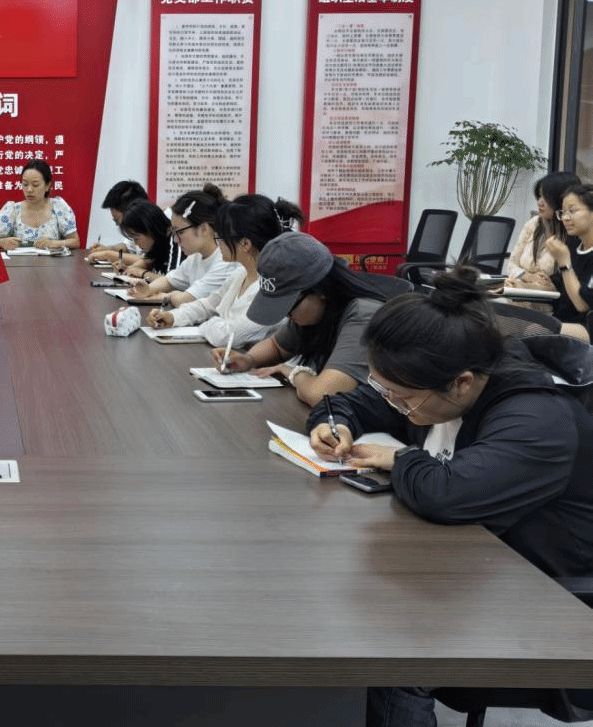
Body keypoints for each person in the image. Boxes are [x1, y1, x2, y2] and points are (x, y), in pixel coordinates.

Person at [304, 266, 593, 727]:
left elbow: (446, 493)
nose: (397, 405)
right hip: (472, 568)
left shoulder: (537, 419)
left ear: (463, 382)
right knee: (349, 598)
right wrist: (332, 422)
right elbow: (355, 402)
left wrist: (400, 459)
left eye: (404, 399)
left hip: (551, 601)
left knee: (390, 643)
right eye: (389, 391)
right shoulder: (429, 385)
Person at [213, 231, 387, 405]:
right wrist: (248, 360)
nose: (286, 316)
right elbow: (277, 346)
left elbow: (321, 395)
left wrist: (294, 373)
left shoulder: (364, 316)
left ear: (321, 290)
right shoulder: (317, 312)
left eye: (289, 307)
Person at [147, 194, 301, 348]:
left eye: (221, 237)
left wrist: (211, 322)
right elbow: (207, 305)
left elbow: (227, 335)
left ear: (245, 244)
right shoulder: (240, 274)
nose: (218, 242)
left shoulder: (275, 288)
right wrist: (172, 317)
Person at [128, 184, 233, 307]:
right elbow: (170, 280)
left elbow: (187, 299)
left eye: (180, 232)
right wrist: (149, 289)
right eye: (174, 233)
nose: (176, 240)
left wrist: (169, 296)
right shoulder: (196, 257)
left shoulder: (225, 261)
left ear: (204, 228)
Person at [505, 170, 581, 286]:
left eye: (546, 197)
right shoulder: (533, 224)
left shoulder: (574, 234)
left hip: (548, 294)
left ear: (561, 200)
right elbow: (511, 265)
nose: (540, 202)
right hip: (519, 289)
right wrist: (528, 277)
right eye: (539, 196)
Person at [0, 159, 79, 252]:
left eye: (35, 185)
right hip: (19, 261)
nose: (29, 190)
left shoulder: (58, 207)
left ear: (47, 186)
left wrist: (54, 243)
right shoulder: (12, 210)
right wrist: (1, 242)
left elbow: (75, 242)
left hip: (52, 261)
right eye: (25, 184)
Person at [544, 182, 593, 340]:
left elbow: (582, 304)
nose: (565, 218)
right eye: (563, 212)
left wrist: (564, 262)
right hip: (564, 319)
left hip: (587, 326)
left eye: (572, 211)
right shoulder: (573, 245)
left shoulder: (567, 253)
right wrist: (526, 284)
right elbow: (558, 286)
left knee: (533, 329)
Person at [84, 180, 148, 267]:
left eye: (117, 220)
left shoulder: (155, 227)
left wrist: (109, 254)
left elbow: (150, 261)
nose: (119, 225)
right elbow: (128, 247)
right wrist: (108, 249)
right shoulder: (137, 228)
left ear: (132, 210)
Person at [116, 200, 176, 282]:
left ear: (150, 229)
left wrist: (142, 273)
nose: (135, 243)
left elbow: (173, 283)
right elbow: (147, 261)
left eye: (136, 238)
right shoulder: (156, 244)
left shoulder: (175, 241)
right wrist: (130, 269)